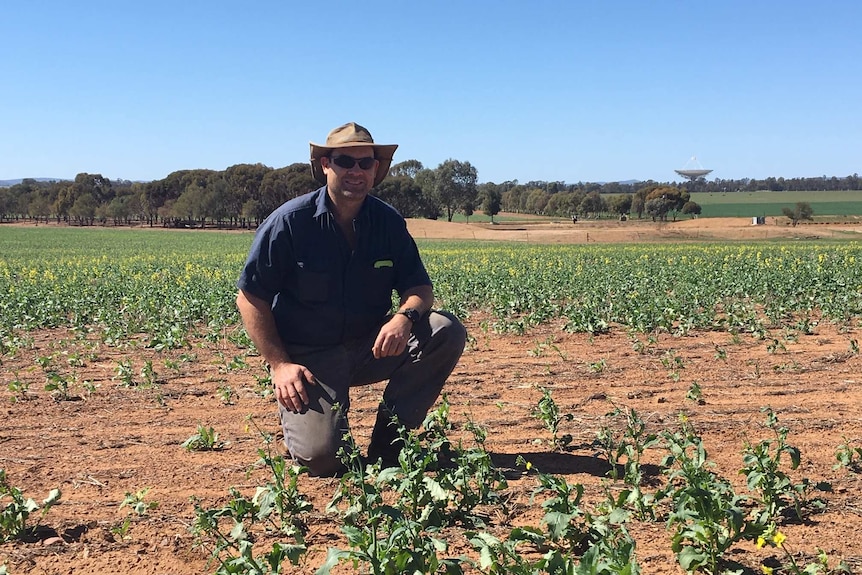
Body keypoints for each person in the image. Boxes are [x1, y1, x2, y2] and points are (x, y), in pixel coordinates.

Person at [235, 122, 467, 477]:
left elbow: (420, 289)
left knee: (445, 329)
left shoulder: (388, 222)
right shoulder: (289, 223)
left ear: (376, 168)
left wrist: (403, 318)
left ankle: (391, 445)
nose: (356, 171)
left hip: (369, 347)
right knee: (325, 460)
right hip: (311, 359)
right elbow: (250, 298)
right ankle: (306, 432)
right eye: (346, 161)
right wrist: (279, 365)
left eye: (365, 163)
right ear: (326, 164)